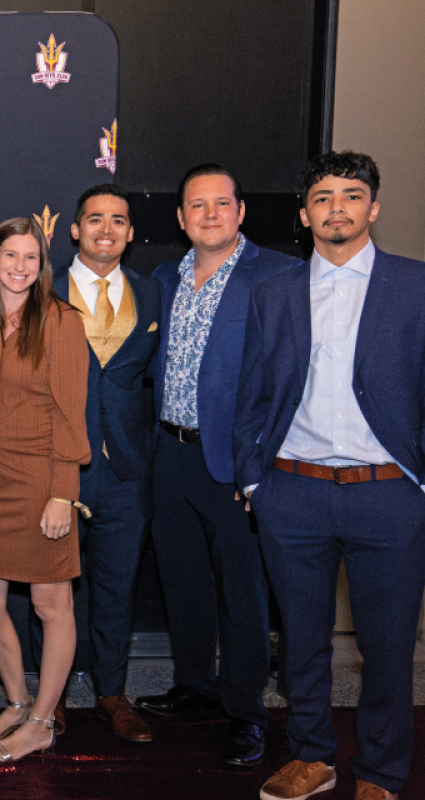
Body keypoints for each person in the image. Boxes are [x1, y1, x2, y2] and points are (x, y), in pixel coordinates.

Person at [237, 151, 425, 800]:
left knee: (388, 649)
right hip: (294, 493)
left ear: (372, 207)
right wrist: (255, 482)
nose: (336, 207)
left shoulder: (416, 285)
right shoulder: (273, 293)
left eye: (351, 195)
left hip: (390, 496)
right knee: (302, 645)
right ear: (304, 214)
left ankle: (380, 772)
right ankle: (313, 757)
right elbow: (253, 395)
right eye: (322, 197)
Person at [138, 165, 298, 767]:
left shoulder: (279, 276)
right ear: (180, 218)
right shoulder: (163, 278)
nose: (209, 214)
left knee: (243, 591)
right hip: (172, 454)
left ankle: (247, 710)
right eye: (196, 206)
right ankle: (195, 685)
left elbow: (290, 381)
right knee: (183, 579)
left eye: (220, 203)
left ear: (240, 211)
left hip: (236, 462)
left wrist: (263, 463)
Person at [48, 184, 161, 742]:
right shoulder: (40, 290)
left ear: (131, 233)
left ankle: (113, 692)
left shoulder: (152, 292)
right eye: (94, 219)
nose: (106, 229)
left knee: (117, 585)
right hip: (59, 471)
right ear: (74, 229)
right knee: (51, 591)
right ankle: (53, 696)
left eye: (118, 220)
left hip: (125, 470)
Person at [0, 218, 90, 762]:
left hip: (40, 479)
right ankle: (19, 700)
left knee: (52, 605)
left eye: (31, 257)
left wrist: (63, 492)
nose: (20, 267)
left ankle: (45, 720)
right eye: (11, 255)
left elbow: (73, 413)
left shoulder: (59, 320)